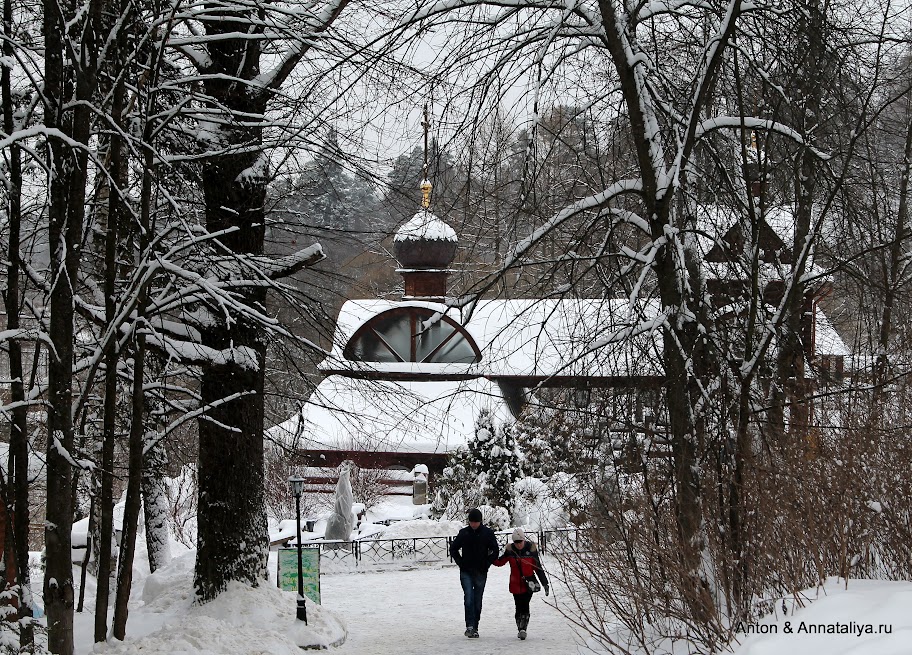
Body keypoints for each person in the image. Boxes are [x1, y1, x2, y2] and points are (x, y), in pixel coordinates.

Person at [449, 507, 499, 638]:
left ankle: (475, 625)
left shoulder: (487, 533)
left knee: (477, 599)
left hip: (481, 571)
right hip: (466, 571)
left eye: (475, 522)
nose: (473, 524)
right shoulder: (464, 533)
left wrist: (486, 563)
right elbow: (453, 549)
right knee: (468, 597)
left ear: (480, 521)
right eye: (471, 522)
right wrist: (461, 563)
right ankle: (469, 626)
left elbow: (495, 550)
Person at [493, 527, 550, 640]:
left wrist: (545, 583)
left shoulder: (531, 550)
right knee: (518, 606)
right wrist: (490, 556)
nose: (518, 544)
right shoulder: (510, 551)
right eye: (516, 542)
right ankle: (520, 627)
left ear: (524, 540)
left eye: (520, 541)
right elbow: (500, 562)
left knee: (525, 604)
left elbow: (538, 568)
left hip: (528, 584)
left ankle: (523, 628)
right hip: (515, 584)